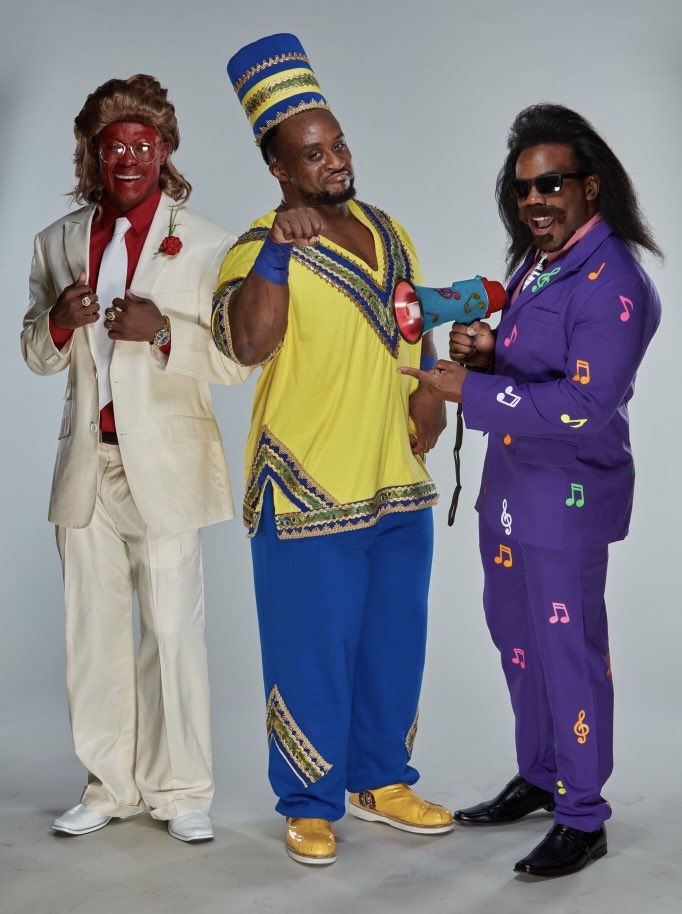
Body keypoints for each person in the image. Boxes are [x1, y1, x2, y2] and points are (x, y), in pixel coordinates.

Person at [399, 103, 662, 877]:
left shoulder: (616, 282)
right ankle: (543, 774)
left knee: (568, 651)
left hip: (567, 500)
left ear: (590, 186)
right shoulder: (538, 262)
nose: (534, 202)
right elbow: (538, 360)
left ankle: (583, 815)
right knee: (517, 639)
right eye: (523, 189)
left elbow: (586, 404)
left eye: (551, 185)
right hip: (511, 491)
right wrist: (489, 351)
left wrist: (469, 391)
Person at [212, 33, 452, 865]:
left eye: (338, 143)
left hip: (396, 479)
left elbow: (413, 324)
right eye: (313, 154)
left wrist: (429, 391)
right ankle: (309, 803)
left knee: (395, 643)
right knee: (308, 652)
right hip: (307, 483)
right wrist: (279, 251)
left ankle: (380, 780)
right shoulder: (255, 247)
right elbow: (246, 343)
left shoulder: (391, 232)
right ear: (279, 167)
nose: (336, 160)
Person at [21, 74, 250, 843]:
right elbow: (35, 353)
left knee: (173, 633)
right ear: (93, 153)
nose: (126, 158)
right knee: (92, 634)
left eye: (141, 145)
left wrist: (161, 333)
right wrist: (58, 321)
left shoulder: (209, 242)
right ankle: (109, 786)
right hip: (87, 465)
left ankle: (181, 791)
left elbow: (236, 360)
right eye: (112, 146)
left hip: (168, 466)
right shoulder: (57, 242)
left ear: (164, 150)